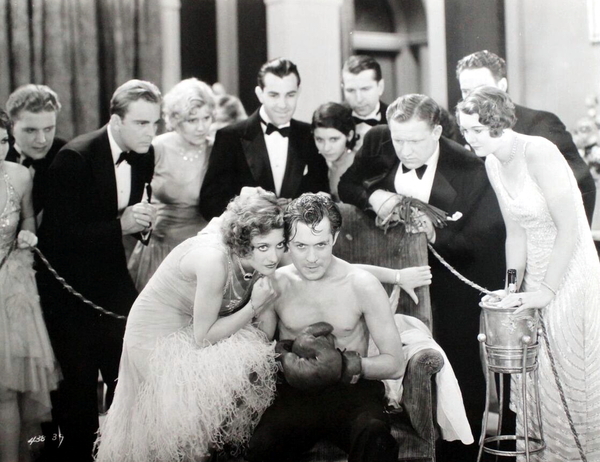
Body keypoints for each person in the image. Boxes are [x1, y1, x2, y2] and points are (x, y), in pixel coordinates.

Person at [338, 94, 506, 461]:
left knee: (459, 370)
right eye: (399, 140)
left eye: (414, 141)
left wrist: (436, 235)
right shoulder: (379, 142)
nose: (405, 150)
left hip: (451, 285)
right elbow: (346, 185)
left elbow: (487, 239)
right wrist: (373, 195)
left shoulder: (470, 168)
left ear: (436, 132)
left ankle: (459, 455)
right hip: (390, 276)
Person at [457, 86, 600, 461]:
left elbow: (570, 229)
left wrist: (547, 292)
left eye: (475, 130)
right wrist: (511, 287)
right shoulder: (493, 162)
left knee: (568, 374)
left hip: (570, 271)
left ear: (497, 124)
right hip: (534, 275)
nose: (468, 138)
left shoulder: (539, 152)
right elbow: (516, 232)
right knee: (537, 376)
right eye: (465, 130)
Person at [96, 190, 283, 462]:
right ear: (242, 242)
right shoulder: (213, 261)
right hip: (156, 334)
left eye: (280, 245)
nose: (274, 256)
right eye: (264, 247)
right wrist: (254, 306)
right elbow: (203, 337)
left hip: (192, 326)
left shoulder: (253, 254)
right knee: (181, 433)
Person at [36, 80, 161, 462]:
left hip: (112, 280)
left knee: (132, 380)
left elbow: (129, 215)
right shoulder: (75, 158)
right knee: (79, 397)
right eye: (141, 123)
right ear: (116, 120)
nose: (151, 132)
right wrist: (119, 226)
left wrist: (142, 224)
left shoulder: (145, 154)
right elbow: (55, 239)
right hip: (68, 290)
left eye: (155, 123)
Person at [247, 193, 405, 462]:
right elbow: (258, 355)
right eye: (301, 246)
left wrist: (345, 366)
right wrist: (283, 359)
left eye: (320, 244)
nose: (312, 258)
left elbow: (395, 364)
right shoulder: (275, 284)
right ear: (287, 243)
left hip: (353, 394)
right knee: (261, 446)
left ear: (334, 238)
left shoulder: (362, 284)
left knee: (374, 435)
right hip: (295, 396)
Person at [456, 50, 596, 223]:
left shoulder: (541, 123)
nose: (473, 97)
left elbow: (582, 183)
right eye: (465, 91)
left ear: (502, 86)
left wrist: (572, 234)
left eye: (481, 89)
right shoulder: (465, 129)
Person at [199, 58, 329, 220]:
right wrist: (245, 204)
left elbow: (322, 191)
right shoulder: (229, 137)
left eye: (290, 95)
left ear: (299, 92)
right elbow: (209, 204)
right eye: (274, 95)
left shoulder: (310, 136)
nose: (282, 104)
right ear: (260, 94)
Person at [0, 110, 60, 462]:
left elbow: (27, 218)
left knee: (7, 390)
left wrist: (27, 234)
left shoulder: (20, 175)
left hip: (10, 288)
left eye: (3, 142)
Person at [128, 78, 214, 291]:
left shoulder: (217, 149)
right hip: (161, 251)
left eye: (206, 118)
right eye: (192, 120)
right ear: (175, 119)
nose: (201, 127)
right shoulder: (157, 148)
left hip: (203, 252)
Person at [5, 84, 67, 222]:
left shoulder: (66, 155)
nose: (42, 140)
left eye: (48, 129)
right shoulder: (2, 152)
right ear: (11, 127)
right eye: (31, 130)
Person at [311, 102, 358, 202]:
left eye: (333, 139)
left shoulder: (360, 166)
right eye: (319, 139)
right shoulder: (319, 165)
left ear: (349, 135)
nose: (326, 148)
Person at [341, 54, 388, 151]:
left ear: (380, 87)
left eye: (365, 89)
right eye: (351, 90)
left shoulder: (396, 120)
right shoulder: (333, 119)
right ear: (343, 89)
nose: (359, 99)